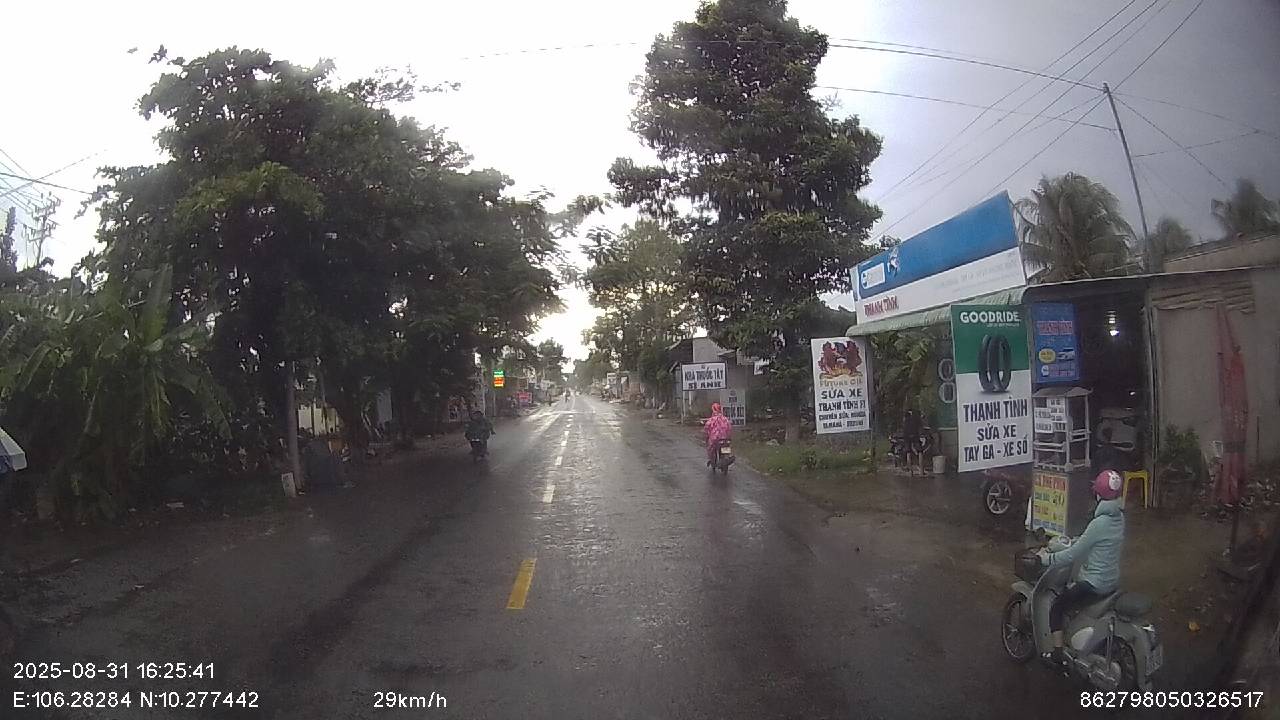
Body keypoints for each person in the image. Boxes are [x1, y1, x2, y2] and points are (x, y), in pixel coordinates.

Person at [1036, 469, 1126, 668]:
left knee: (1058, 606)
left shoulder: (1099, 523)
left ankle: (1057, 654)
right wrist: (1077, 541)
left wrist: (1046, 559)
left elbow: (1072, 555)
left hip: (1094, 584)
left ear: (1098, 495)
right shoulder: (1119, 518)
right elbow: (1095, 543)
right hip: (1112, 581)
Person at [703, 402, 733, 467]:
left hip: (715, 439)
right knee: (727, 446)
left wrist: (706, 435)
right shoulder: (725, 419)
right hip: (725, 438)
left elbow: (706, 428)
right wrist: (728, 435)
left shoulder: (711, 420)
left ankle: (712, 460)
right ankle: (727, 456)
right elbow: (730, 428)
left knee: (710, 448)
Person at [902, 409, 923, 474]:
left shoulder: (906, 419)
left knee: (908, 452)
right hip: (915, 435)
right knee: (920, 451)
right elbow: (921, 426)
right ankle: (921, 471)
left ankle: (910, 471)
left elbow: (904, 429)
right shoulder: (916, 418)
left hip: (907, 436)